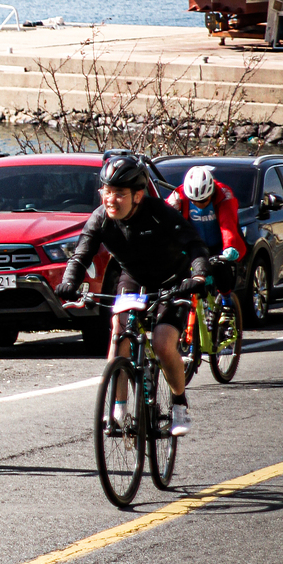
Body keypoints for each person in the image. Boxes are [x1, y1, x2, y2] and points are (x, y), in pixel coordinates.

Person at [56, 154, 210, 435]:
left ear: (138, 195)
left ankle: (179, 404)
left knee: (162, 343)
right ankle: (118, 409)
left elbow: (195, 245)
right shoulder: (101, 218)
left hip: (172, 281)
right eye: (106, 191)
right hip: (134, 279)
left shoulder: (159, 212)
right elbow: (80, 256)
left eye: (119, 193)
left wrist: (198, 276)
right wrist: (69, 283)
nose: (110, 199)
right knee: (119, 331)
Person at [167, 165, 246, 291]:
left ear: (212, 193)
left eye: (204, 200)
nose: (200, 204)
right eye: (194, 201)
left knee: (222, 275)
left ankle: (227, 299)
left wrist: (230, 245)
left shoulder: (224, 194)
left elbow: (228, 223)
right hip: (194, 245)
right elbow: (165, 221)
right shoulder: (178, 196)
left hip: (218, 243)